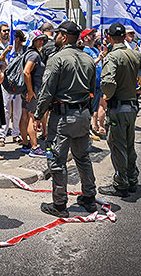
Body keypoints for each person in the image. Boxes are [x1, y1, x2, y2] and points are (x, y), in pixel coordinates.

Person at [35, 21, 97, 217]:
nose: (55, 37)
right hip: (83, 115)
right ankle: (89, 197)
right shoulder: (88, 58)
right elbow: (92, 90)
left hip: (63, 118)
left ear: (63, 36)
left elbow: (46, 92)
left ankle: (60, 204)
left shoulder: (57, 58)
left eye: (57, 34)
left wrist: (38, 115)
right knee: (83, 158)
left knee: (56, 160)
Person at [99, 23, 141, 197]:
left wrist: (108, 95)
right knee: (128, 145)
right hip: (131, 106)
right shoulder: (134, 54)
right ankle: (132, 179)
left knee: (118, 146)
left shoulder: (113, 57)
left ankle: (121, 184)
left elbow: (108, 83)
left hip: (118, 107)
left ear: (109, 38)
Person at [20, 30, 48, 158]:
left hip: (28, 90)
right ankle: (34, 147)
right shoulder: (34, 55)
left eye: (42, 39)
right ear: (32, 41)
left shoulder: (29, 53)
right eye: (38, 40)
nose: (41, 42)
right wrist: (31, 91)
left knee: (25, 116)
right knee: (32, 118)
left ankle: (26, 144)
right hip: (33, 91)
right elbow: (26, 72)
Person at [81, 29, 106, 139]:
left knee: (96, 108)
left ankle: (93, 128)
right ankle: (87, 130)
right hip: (91, 84)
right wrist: (98, 59)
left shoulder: (95, 49)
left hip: (98, 83)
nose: (94, 36)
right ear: (85, 38)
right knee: (91, 109)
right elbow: (88, 65)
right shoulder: (84, 51)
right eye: (91, 35)